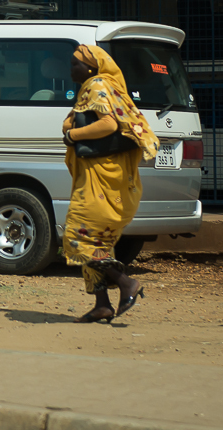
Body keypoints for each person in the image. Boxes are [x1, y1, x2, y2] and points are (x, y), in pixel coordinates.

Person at [61, 45, 160, 323]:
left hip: (101, 178)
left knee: (76, 237)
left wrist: (73, 135)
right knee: (97, 241)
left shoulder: (97, 84)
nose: (70, 68)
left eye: (75, 63)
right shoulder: (105, 86)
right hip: (105, 175)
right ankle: (102, 304)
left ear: (91, 67)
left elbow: (109, 125)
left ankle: (126, 283)